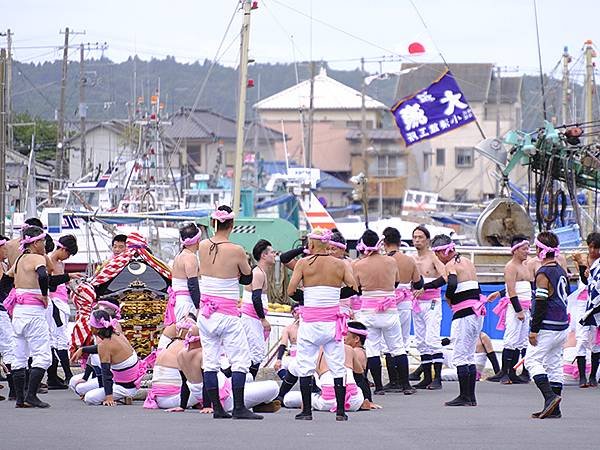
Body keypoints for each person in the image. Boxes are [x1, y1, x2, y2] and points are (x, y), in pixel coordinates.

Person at [197, 206, 262, 420]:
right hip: (227, 314)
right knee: (240, 360)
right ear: (232, 225)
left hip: (205, 312)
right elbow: (247, 277)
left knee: (210, 361)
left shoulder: (203, 246)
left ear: (214, 223)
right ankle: (239, 407)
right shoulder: (236, 250)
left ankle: (216, 407)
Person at [287, 228, 357, 421]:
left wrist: (308, 298)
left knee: (305, 365)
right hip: (331, 322)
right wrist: (333, 295)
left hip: (310, 322)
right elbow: (353, 288)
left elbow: (291, 290)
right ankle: (341, 412)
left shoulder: (303, 263)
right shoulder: (340, 264)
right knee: (337, 365)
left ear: (310, 244)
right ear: (328, 244)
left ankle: (307, 411)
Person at [353, 229, 414, 396]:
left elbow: (355, 288)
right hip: (389, 308)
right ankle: (406, 385)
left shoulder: (358, 265)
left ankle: (379, 386)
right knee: (398, 347)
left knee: (372, 348)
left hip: (368, 310)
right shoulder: (391, 262)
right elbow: (396, 282)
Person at [431, 234, 485, 407]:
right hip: (477, 311)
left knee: (461, 356)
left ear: (444, 252)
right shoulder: (467, 261)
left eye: (438, 253)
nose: (438, 258)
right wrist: (425, 286)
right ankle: (471, 397)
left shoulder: (450, 265)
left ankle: (464, 396)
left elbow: (452, 282)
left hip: (464, 313)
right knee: (468, 355)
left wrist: (449, 298)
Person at [5, 225, 52, 408]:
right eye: (43, 241)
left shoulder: (19, 260)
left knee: (19, 356)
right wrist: (45, 294)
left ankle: (19, 399)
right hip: (33, 312)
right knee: (42, 355)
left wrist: (6, 299)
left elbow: (6, 280)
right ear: (37, 242)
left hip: (18, 312)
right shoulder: (36, 258)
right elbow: (43, 275)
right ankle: (31, 395)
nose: (45, 244)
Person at [526, 232, 570, 419]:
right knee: (554, 364)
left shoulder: (543, 273)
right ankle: (554, 408)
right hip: (562, 324)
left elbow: (541, 302)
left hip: (548, 325)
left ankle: (550, 397)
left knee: (532, 361)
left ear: (540, 250)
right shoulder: (560, 270)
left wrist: (534, 329)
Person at [72, 309, 155, 406]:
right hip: (125, 381)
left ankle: (126, 396)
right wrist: (82, 350)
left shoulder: (105, 345)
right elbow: (101, 349)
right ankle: (122, 394)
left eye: (91, 325)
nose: (90, 328)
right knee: (78, 387)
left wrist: (109, 397)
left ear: (97, 329)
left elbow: (106, 373)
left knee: (89, 398)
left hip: (125, 387)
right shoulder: (116, 333)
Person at [382, 226, 423, 391]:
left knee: (388, 341)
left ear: (384, 242)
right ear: (400, 242)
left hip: (387, 301)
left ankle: (393, 381)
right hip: (406, 302)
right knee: (403, 341)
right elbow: (418, 282)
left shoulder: (384, 261)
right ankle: (404, 382)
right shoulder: (409, 260)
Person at [487, 235, 532, 384]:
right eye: (524, 249)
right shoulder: (511, 267)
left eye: (528, 248)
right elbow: (512, 290)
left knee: (522, 340)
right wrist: (518, 310)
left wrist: (499, 292)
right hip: (515, 307)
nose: (527, 251)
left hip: (527, 307)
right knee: (511, 338)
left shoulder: (526, 266)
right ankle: (505, 372)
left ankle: (513, 372)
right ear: (515, 250)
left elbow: (518, 286)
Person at [410, 225, 445, 390]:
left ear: (427, 240)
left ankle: (437, 377)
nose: (417, 240)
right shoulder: (411, 259)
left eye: (420, 237)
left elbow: (445, 276)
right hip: (416, 303)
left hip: (431, 302)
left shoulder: (433, 258)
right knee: (420, 340)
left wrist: (427, 287)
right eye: (415, 237)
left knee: (432, 338)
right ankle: (426, 376)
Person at [45, 235, 79, 390]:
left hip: (62, 302)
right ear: (63, 249)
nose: (68, 257)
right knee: (58, 339)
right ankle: (66, 374)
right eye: (69, 253)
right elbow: (51, 284)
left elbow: (62, 283)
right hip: (55, 303)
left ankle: (59, 375)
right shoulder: (50, 261)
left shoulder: (59, 263)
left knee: (58, 338)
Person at [143, 318, 198, 410]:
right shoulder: (187, 348)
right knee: (215, 379)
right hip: (175, 398)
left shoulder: (169, 346)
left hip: (159, 398)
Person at [241, 239, 274, 379]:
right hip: (252, 318)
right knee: (256, 354)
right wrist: (263, 319)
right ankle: (244, 385)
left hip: (253, 318)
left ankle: (245, 384)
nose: (274, 255)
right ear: (263, 255)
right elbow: (256, 298)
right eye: (272, 252)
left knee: (253, 354)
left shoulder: (260, 272)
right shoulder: (258, 273)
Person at [571, 232, 600, 387]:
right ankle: (583, 376)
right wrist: (583, 265)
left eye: (596, 248)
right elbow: (584, 280)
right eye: (591, 247)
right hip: (583, 302)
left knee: (596, 340)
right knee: (581, 338)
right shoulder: (583, 259)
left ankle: (593, 376)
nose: (593, 251)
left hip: (596, 303)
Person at [168, 222, 201, 324]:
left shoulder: (179, 255)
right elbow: (193, 285)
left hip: (179, 301)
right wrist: (199, 306)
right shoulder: (190, 257)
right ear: (198, 240)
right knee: (187, 336)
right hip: (187, 303)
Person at [344, 321, 381, 410]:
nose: (343, 338)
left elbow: (359, 377)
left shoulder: (357, 352)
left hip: (357, 389)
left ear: (356, 339)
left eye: (345, 335)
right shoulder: (356, 350)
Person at [0, 235, 16, 401]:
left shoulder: (4, 265)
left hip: (3, 309)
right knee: (9, 347)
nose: (6, 250)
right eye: (3, 247)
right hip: (0, 312)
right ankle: (13, 388)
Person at [274, 303, 300, 380]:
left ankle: (315, 389)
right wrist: (279, 359)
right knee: (279, 366)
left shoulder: (309, 327)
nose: (298, 314)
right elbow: (283, 344)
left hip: (307, 355)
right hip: (293, 355)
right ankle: (287, 381)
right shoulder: (288, 329)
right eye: (295, 312)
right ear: (292, 313)